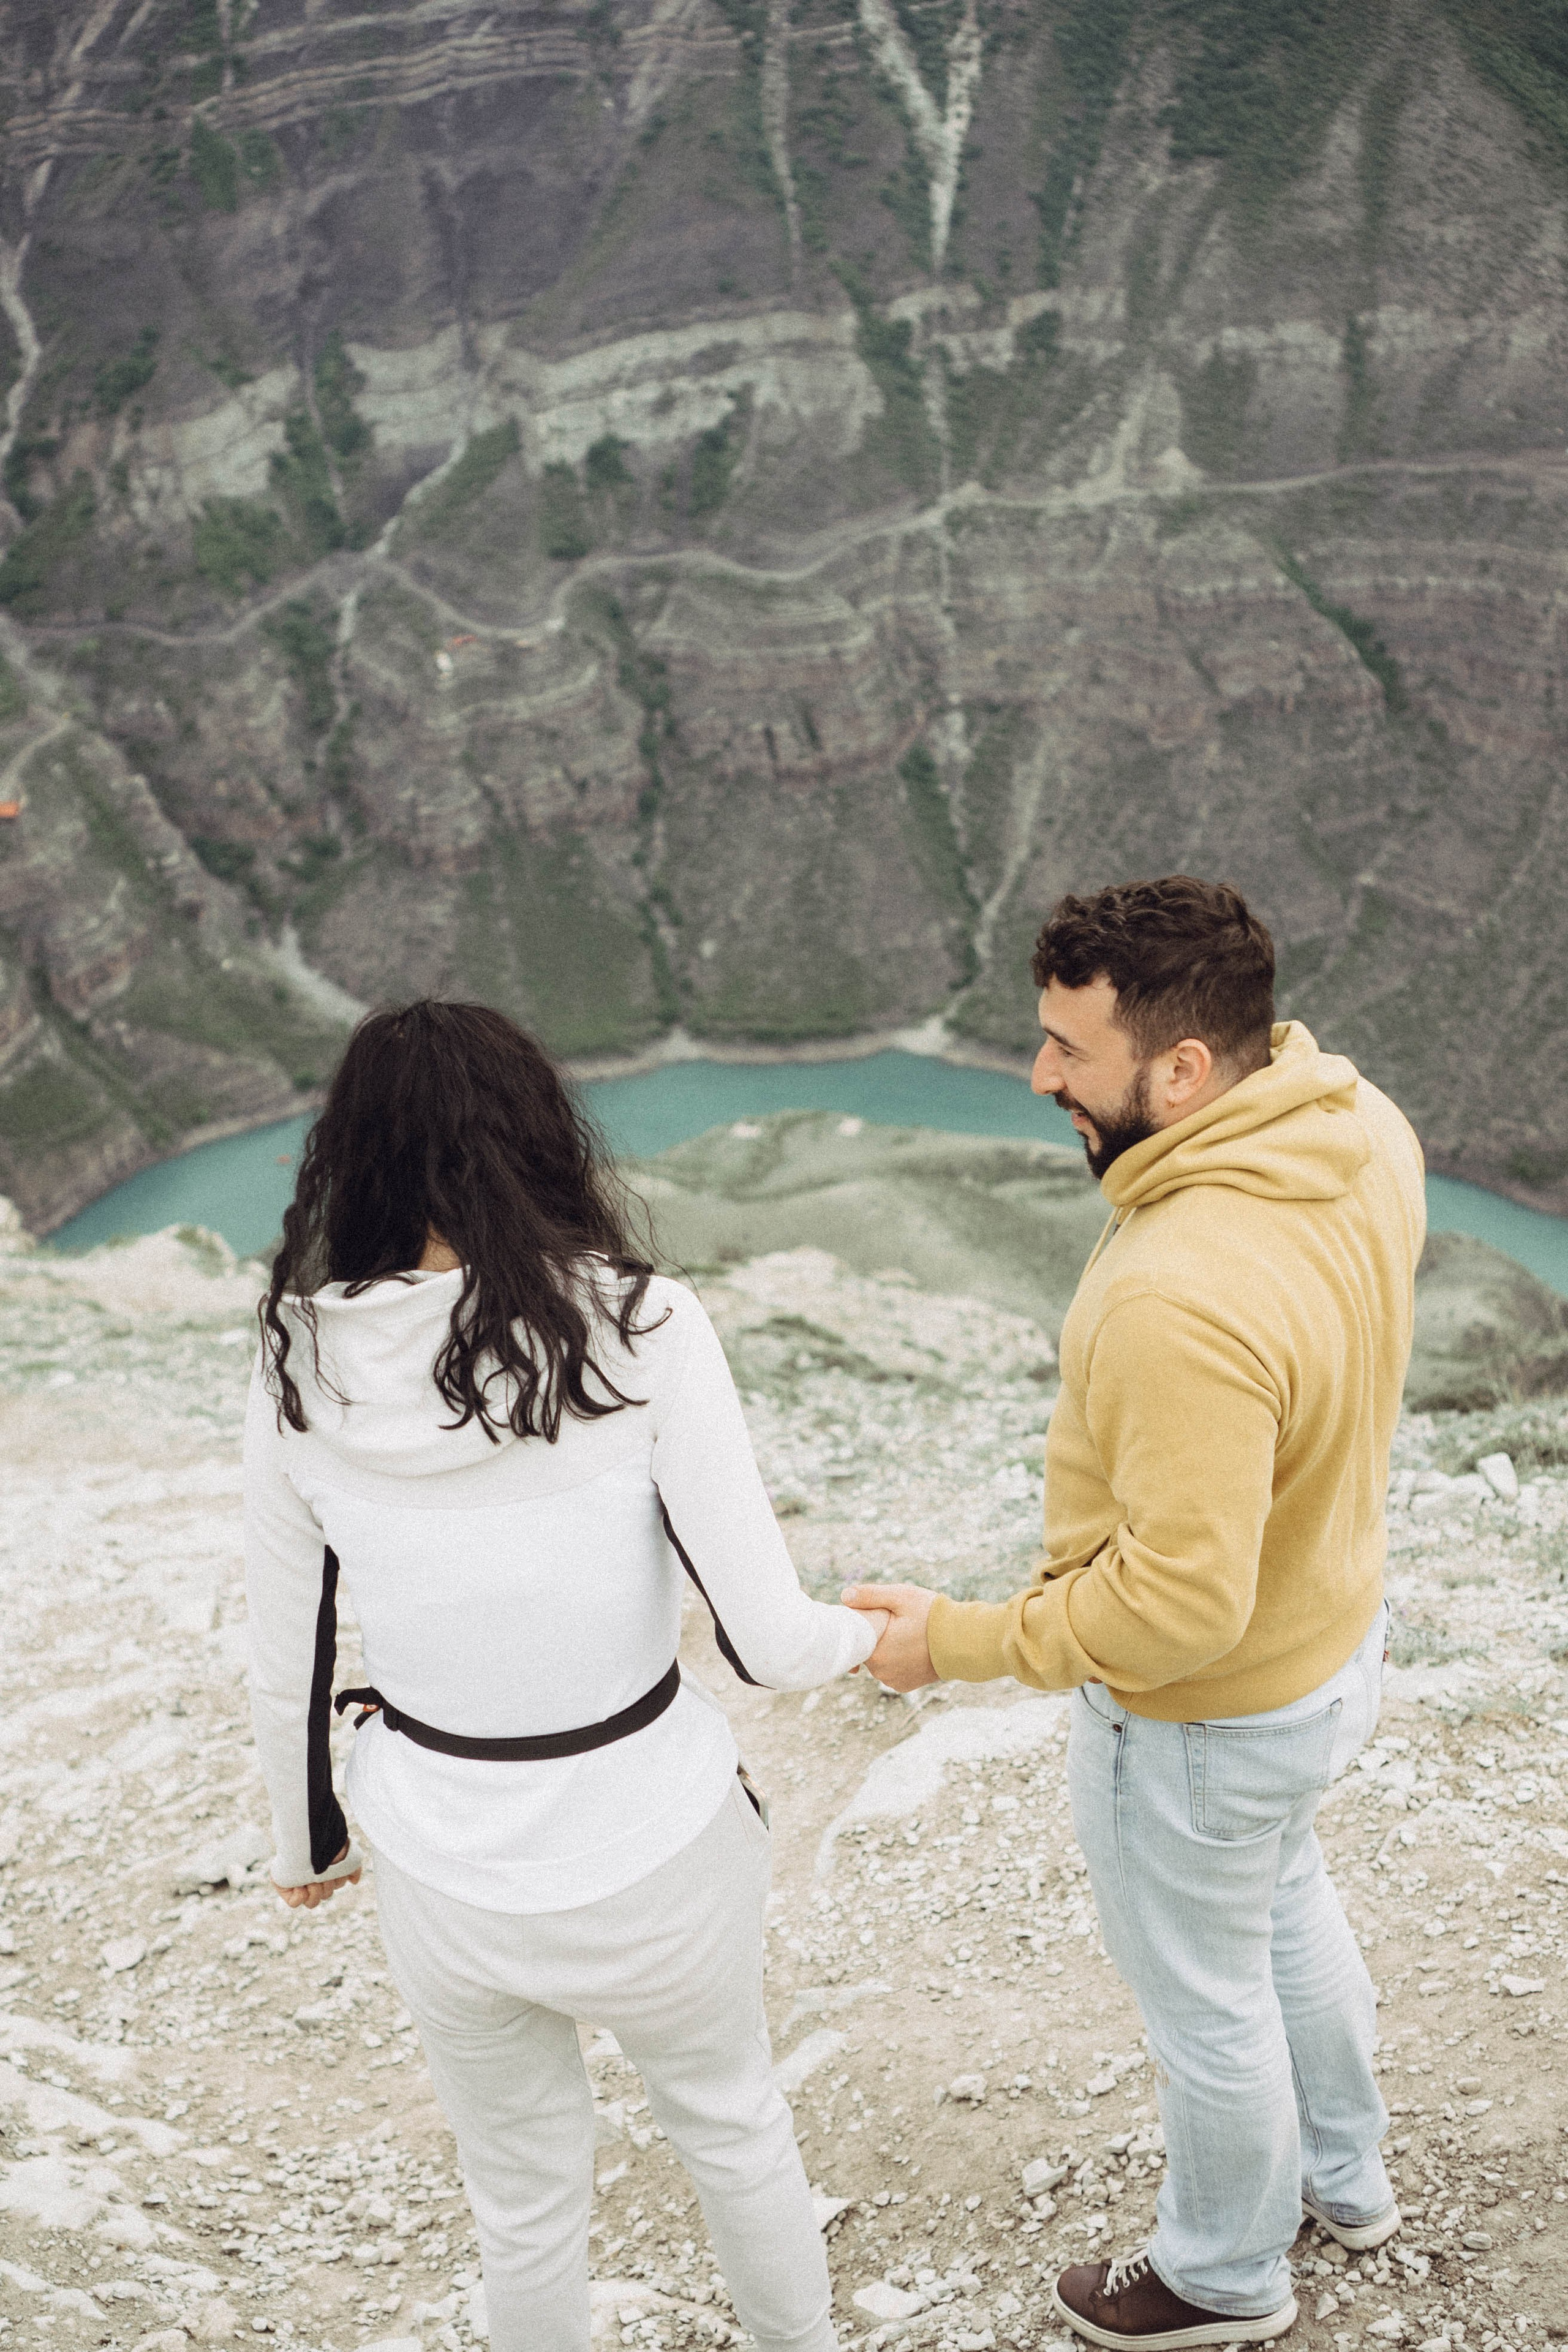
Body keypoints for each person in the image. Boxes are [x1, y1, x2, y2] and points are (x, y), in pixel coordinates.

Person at [244, 1001, 886, 2352]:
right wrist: (881, 1638)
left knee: (523, 2202)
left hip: (440, 1862)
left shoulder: (295, 1356)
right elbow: (766, 1643)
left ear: (348, 1162)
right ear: (537, 1140)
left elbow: (286, 1641)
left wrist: (306, 1842)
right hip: (652, 1840)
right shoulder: (641, 1326)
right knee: (732, 2130)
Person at [845, 877, 1425, 2351]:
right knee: (1282, 1907)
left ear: (1180, 1070)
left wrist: (954, 1644)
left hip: (1206, 1718)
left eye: (1063, 1050)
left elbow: (1173, 1607)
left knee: (1204, 2002)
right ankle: (1346, 2183)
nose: (1038, 1077)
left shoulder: (1174, 1288)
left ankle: (1220, 2279)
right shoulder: (1358, 1133)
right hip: (1327, 1650)